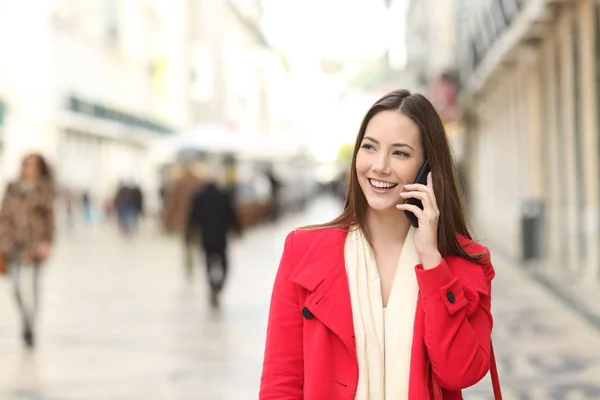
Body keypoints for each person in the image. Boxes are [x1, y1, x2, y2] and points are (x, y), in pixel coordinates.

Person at [259, 89, 496, 399]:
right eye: (370, 147)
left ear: (428, 170)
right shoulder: (303, 250)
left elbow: (460, 372)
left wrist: (432, 262)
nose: (380, 165)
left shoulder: (465, 262)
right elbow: (281, 382)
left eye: (400, 153)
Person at [0, 153, 55, 348]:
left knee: (31, 287)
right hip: (12, 243)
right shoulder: (12, 187)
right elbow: (3, 214)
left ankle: (30, 325)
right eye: (26, 164)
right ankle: (26, 319)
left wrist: (47, 243)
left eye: (34, 165)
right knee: (15, 287)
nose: (29, 168)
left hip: (34, 245)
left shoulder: (44, 189)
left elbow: (50, 219)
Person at [186, 168, 242, 308]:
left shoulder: (198, 197)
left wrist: (190, 234)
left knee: (208, 263)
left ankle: (212, 287)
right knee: (224, 264)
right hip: (221, 237)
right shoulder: (223, 196)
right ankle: (219, 287)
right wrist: (238, 230)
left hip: (206, 238)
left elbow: (193, 219)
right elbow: (232, 215)